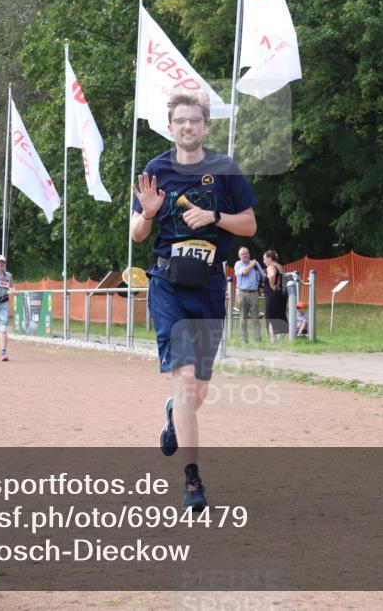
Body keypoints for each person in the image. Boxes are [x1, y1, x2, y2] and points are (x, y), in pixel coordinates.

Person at [131, 92, 257, 512]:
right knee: (185, 379)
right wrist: (149, 213)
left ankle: (174, 416)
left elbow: (249, 225)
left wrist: (214, 217)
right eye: (181, 120)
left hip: (209, 287)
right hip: (167, 284)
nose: (188, 126)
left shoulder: (225, 169)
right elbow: (137, 233)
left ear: (205, 126)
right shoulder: (155, 170)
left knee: (196, 393)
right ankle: (192, 480)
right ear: (170, 127)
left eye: (195, 120)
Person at [233, 247, 264, 344]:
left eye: (246, 253)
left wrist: (261, 286)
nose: (245, 255)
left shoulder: (256, 264)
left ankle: (258, 339)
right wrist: (252, 264)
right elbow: (245, 272)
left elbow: (263, 276)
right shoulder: (238, 264)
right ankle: (244, 339)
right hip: (242, 293)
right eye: (243, 254)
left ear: (249, 254)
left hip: (254, 293)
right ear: (239, 256)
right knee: (243, 318)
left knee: (256, 317)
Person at [263, 250, 289, 343]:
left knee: (270, 317)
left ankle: (272, 340)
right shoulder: (280, 266)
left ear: (269, 258)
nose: (263, 261)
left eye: (264, 259)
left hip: (272, 295)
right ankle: (287, 339)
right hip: (281, 295)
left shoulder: (270, 267)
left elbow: (272, 275)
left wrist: (271, 285)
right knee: (281, 316)